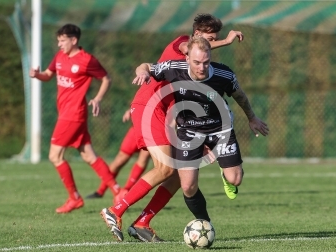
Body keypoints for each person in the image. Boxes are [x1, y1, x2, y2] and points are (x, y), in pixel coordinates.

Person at [100, 14, 245, 242]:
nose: (209, 45)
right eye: (208, 39)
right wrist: (226, 42)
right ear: (196, 36)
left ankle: (142, 223)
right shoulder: (183, 43)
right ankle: (115, 210)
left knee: (177, 175)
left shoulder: (198, 65)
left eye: (213, 40)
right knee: (166, 169)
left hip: (163, 111)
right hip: (151, 107)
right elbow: (190, 48)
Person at [130, 36, 269, 241]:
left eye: (205, 62)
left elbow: (240, 96)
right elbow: (146, 66)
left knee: (235, 179)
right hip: (189, 131)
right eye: (196, 62)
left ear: (210, 58)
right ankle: (206, 223)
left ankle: (225, 171)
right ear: (187, 59)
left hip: (220, 129)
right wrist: (142, 71)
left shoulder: (223, 74)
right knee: (187, 186)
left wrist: (252, 118)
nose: (202, 67)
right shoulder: (173, 68)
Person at [29, 24, 121, 213]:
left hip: (74, 115)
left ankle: (74, 198)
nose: (59, 44)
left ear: (74, 40)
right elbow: (47, 75)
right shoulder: (60, 57)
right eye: (58, 40)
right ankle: (117, 190)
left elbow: (106, 78)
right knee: (88, 155)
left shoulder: (87, 60)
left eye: (62, 40)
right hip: (65, 114)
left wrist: (97, 98)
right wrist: (37, 75)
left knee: (54, 155)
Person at [86, 108, 150, 199]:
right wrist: (131, 110)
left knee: (144, 158)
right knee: (119, 160)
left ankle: (126, 192)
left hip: (153, 130)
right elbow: (142, 98)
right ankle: (100, 191)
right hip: (137, 128)